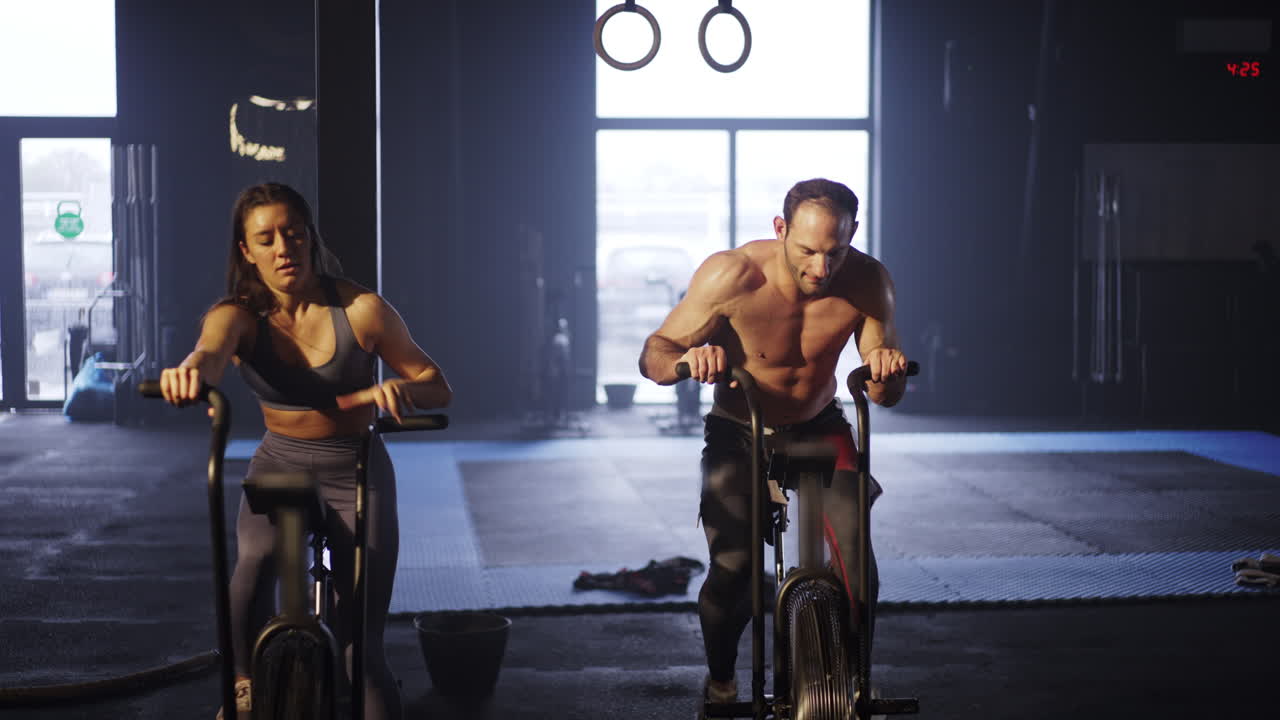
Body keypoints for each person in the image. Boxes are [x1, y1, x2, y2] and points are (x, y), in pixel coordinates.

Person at [159, 182, 451, 720]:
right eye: (265, 239)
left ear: (310, 237)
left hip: (355, 465)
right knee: (254, 563)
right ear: (246, 250)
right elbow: (209, 353)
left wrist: (401, 390)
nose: (282, 249)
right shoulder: (238, 315)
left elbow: (437, 385)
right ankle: (246, 681)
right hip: (280, 460)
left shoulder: (362, 309)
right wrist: (189, 375)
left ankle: (364, 680)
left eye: (292, 234)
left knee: (357, 650)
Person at [638, 178, 909, 703]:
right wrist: (687, 359)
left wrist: (885, 371)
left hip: (818, 425)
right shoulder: (731, 274)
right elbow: (654, 353)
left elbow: (885, 395)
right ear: (780, 229)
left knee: (856, 568)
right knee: (734, 572)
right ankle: (721, 679)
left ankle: (851, 684)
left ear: (853, 236)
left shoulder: (870, 281)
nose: (820, 269)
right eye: (807, 251)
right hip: (741, 430)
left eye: (836, 252)